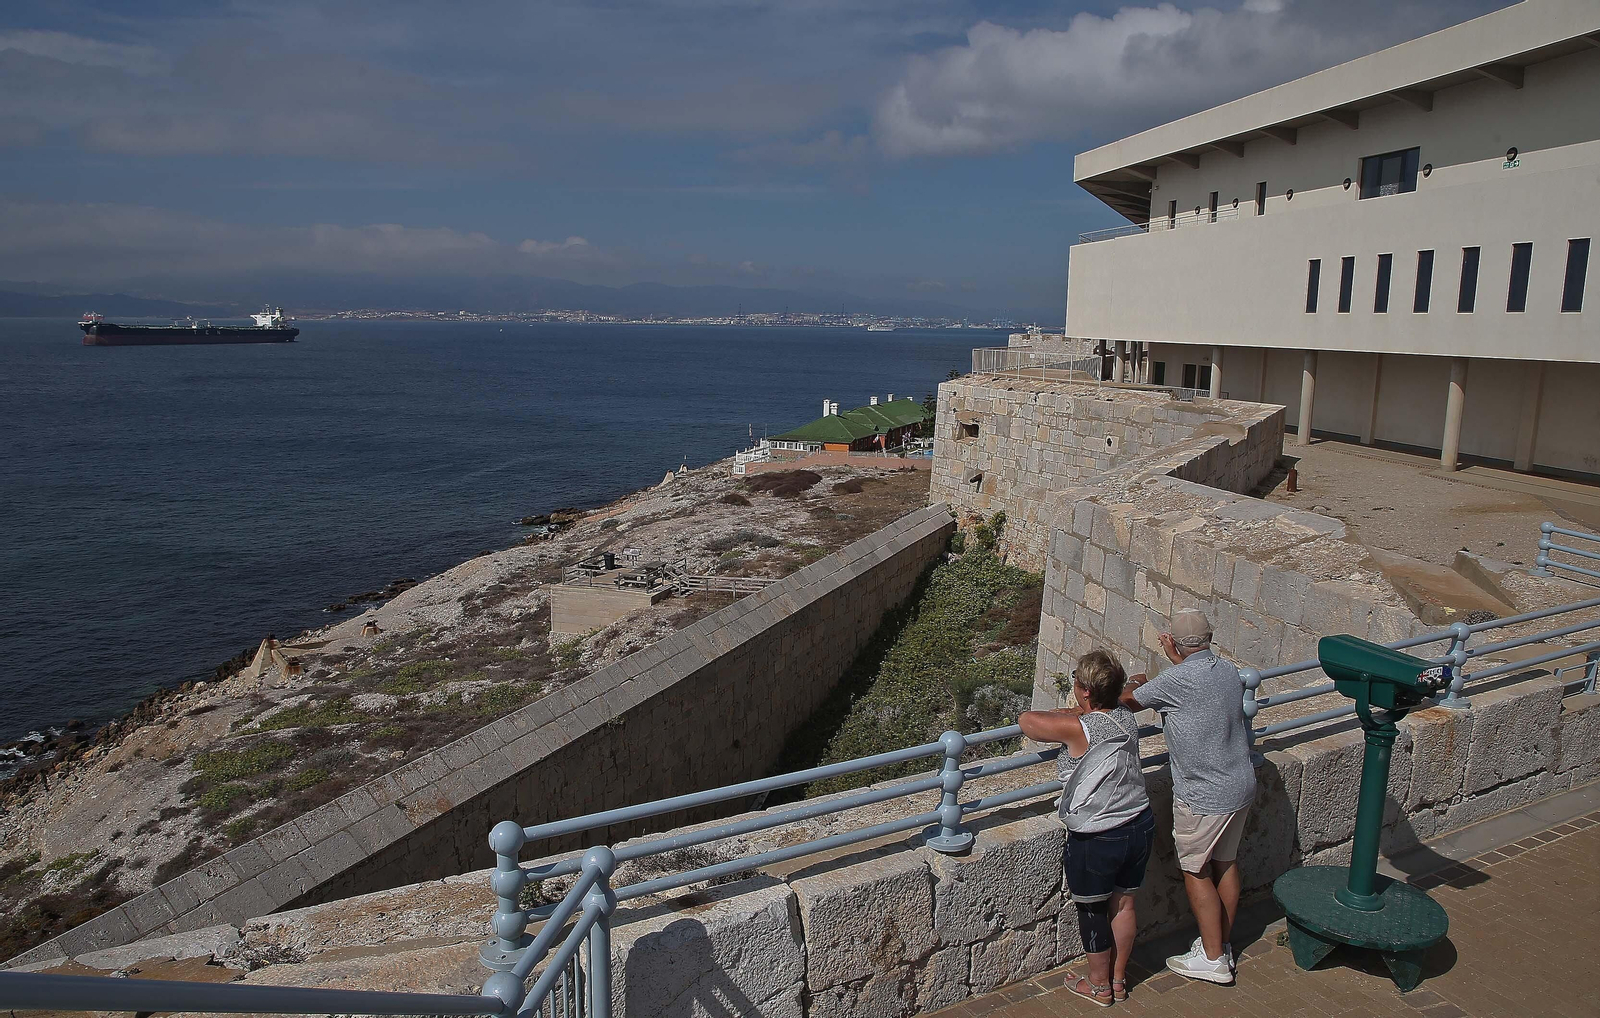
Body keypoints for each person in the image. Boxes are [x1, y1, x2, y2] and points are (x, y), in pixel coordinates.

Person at [1120, 609, 1256, 985]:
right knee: (1225, 863)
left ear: (1175, 644)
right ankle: (1221, 943)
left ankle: (1213, 960)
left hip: (1203, 794)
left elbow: (1129, 701)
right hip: (1240, 782)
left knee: (1195, 870)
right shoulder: (1228, 670)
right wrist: (1177, 658)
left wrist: (1138, 679)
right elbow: (1196, 682)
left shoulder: (1175, 679)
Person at [1020, 650, 1155, 1007]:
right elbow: (1133, 689)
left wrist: (1075, 712)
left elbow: (1027, 721)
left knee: (1093, 910)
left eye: (1077, 682)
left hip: (1098, 832)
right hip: (1138, 821)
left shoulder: (1078, 727)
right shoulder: (1125, 714)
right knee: (1124, 905)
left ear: (1085, 691)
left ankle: (1098, 987)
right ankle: (1119, 979)